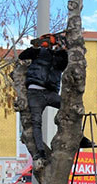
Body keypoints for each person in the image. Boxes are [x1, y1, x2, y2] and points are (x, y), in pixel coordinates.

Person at [18, 33, 70, 161]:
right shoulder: (39, 52)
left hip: (50, 93)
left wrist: (63, 50)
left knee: (71, 108)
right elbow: (22, 56)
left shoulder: (60, 57)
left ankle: (78, 137)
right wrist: (36, 47)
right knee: (36, 122)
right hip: (35, 92)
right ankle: (40, 152)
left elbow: (63, 64)